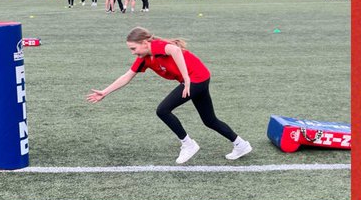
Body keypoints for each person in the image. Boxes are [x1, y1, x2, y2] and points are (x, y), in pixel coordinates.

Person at [87, 28, 252, 164]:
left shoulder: (157, 46)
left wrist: (186, 79)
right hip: (199, 77)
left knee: (163, 110)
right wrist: (105, 92)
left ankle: (188, 144)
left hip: (196, 78)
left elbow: (175, 50)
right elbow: (127, 76)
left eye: (133, 48)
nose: (132, 52)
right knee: (209, 120)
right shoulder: (144, 58)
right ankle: (240, 144)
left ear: (145, 43)